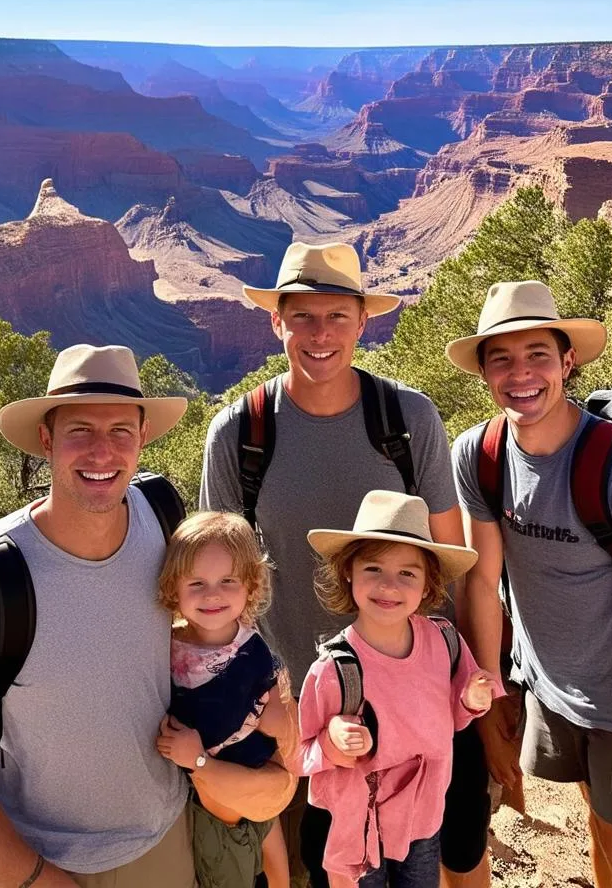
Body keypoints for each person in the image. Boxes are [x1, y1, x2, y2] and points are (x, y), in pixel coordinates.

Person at [0, 344, 293, 888]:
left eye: (121, 432)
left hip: (164, 840)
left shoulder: (161, 515)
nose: (103, 453)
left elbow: (206, 621)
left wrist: (272, 695)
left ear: (143, 438)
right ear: (47, 439)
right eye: (80, 430)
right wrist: (38, 879)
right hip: (32, 857)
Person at [200, 242, 492, 888]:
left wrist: (476, 688)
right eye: (302, 317)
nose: (320, 334)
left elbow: (455, 563)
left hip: (424, 706)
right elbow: (214, 593)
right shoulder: (239, 434)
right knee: (323, 869)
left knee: (453, 856)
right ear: (276, 321)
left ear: (365, 322)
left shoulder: (408, 419)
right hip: (304, 714)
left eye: (337, 316)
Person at [446, 282, 612, 888]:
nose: (522, 374)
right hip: (549, 685)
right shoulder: (478, 454)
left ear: (569, 362)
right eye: (502, 359)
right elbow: (482, 581)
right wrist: (488, 699)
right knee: (596, 822)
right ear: (484, 372)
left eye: (538, 354)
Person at [298, 490, 500, 888]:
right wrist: (332, 741)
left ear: (428, 585)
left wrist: (472, 700)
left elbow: (452, 716)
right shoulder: (336, 668)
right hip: (361, 832)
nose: (389, 585)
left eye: (407, 573)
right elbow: (299, 751)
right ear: (348, 574)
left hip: (424, 819)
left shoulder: (445, 641)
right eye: (373, 568)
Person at [155, 509, 298, 888]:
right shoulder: (166, 647)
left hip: (258, 782)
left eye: (228, 580)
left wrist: (278, 716)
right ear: (174, 589)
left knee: (277, 870)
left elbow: (279, 707)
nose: (212, 594)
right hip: (214, 807)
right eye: (196, 582)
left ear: (250, 586)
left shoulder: (253, 646)